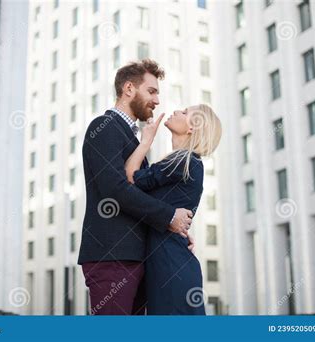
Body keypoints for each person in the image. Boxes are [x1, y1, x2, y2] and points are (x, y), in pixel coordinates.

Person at [78, 59, 194, 315]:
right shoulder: (103, 127)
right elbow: (115, 189)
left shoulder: (132, 138)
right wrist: (168, 217)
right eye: (152, 91)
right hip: (112, 257)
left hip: (135, 257)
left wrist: (176, 230)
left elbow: (140, 194)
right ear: (129, 89)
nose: (157, 100)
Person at [125, 104, 222, 314]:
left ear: (192, 128)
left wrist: (146, 141)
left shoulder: (183, 162)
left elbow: (131, 177)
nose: (178, 111)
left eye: (185, 113)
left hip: (170, 267)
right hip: (169, 263)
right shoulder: (183, 163)